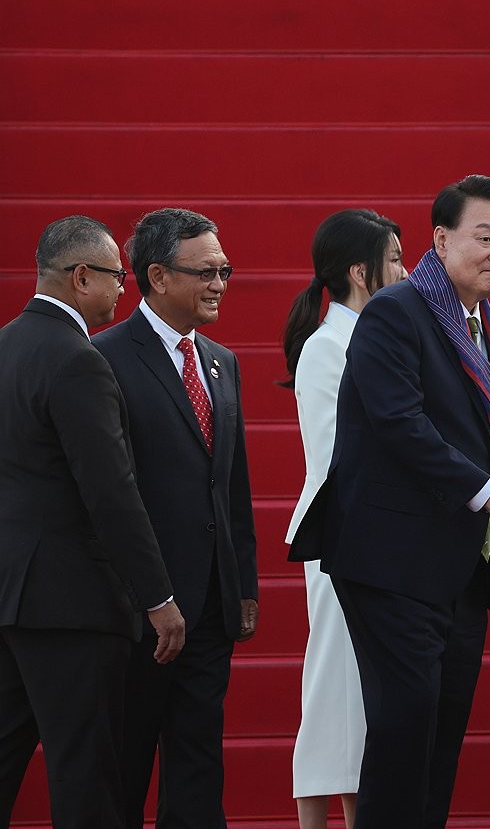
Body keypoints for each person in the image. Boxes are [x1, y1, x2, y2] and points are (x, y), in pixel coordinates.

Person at [311, 175, 490, 829]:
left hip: (461, 570)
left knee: (439, 739)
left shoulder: (484, 322)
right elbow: (401, 424)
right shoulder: (399, 310)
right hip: (392, 563)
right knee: (402, 731)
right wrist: (489, 492)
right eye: (485, 237)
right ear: (440, 240)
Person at [0, 216, 185, 828]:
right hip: (72, 602)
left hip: (10, 598)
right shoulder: (78, 360)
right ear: (81, 277)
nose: (123, 292)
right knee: (85, 773)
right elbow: (111, 492)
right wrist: (158, 594)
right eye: (115, 277)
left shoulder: (6, 345)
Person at [93, 208, 259, 828]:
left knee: (197, 765)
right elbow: (107, 491)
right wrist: (144, 593)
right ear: (157, 276)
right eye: (208, 271)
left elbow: (232, 483)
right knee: (126, 764)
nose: (221, 283)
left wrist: (243, 583)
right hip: (137, 608)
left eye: (226, 270)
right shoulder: (104, 357)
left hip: (210, 606)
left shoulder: (221, 360)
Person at [281, 210, 406, 829]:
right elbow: (339, 457)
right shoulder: (330, 347)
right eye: (396, 259)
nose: (406, 273)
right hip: (344, 537)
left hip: (371, 538)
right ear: (362, 272)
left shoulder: (360, 339)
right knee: (338, 690)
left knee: (351, 695)